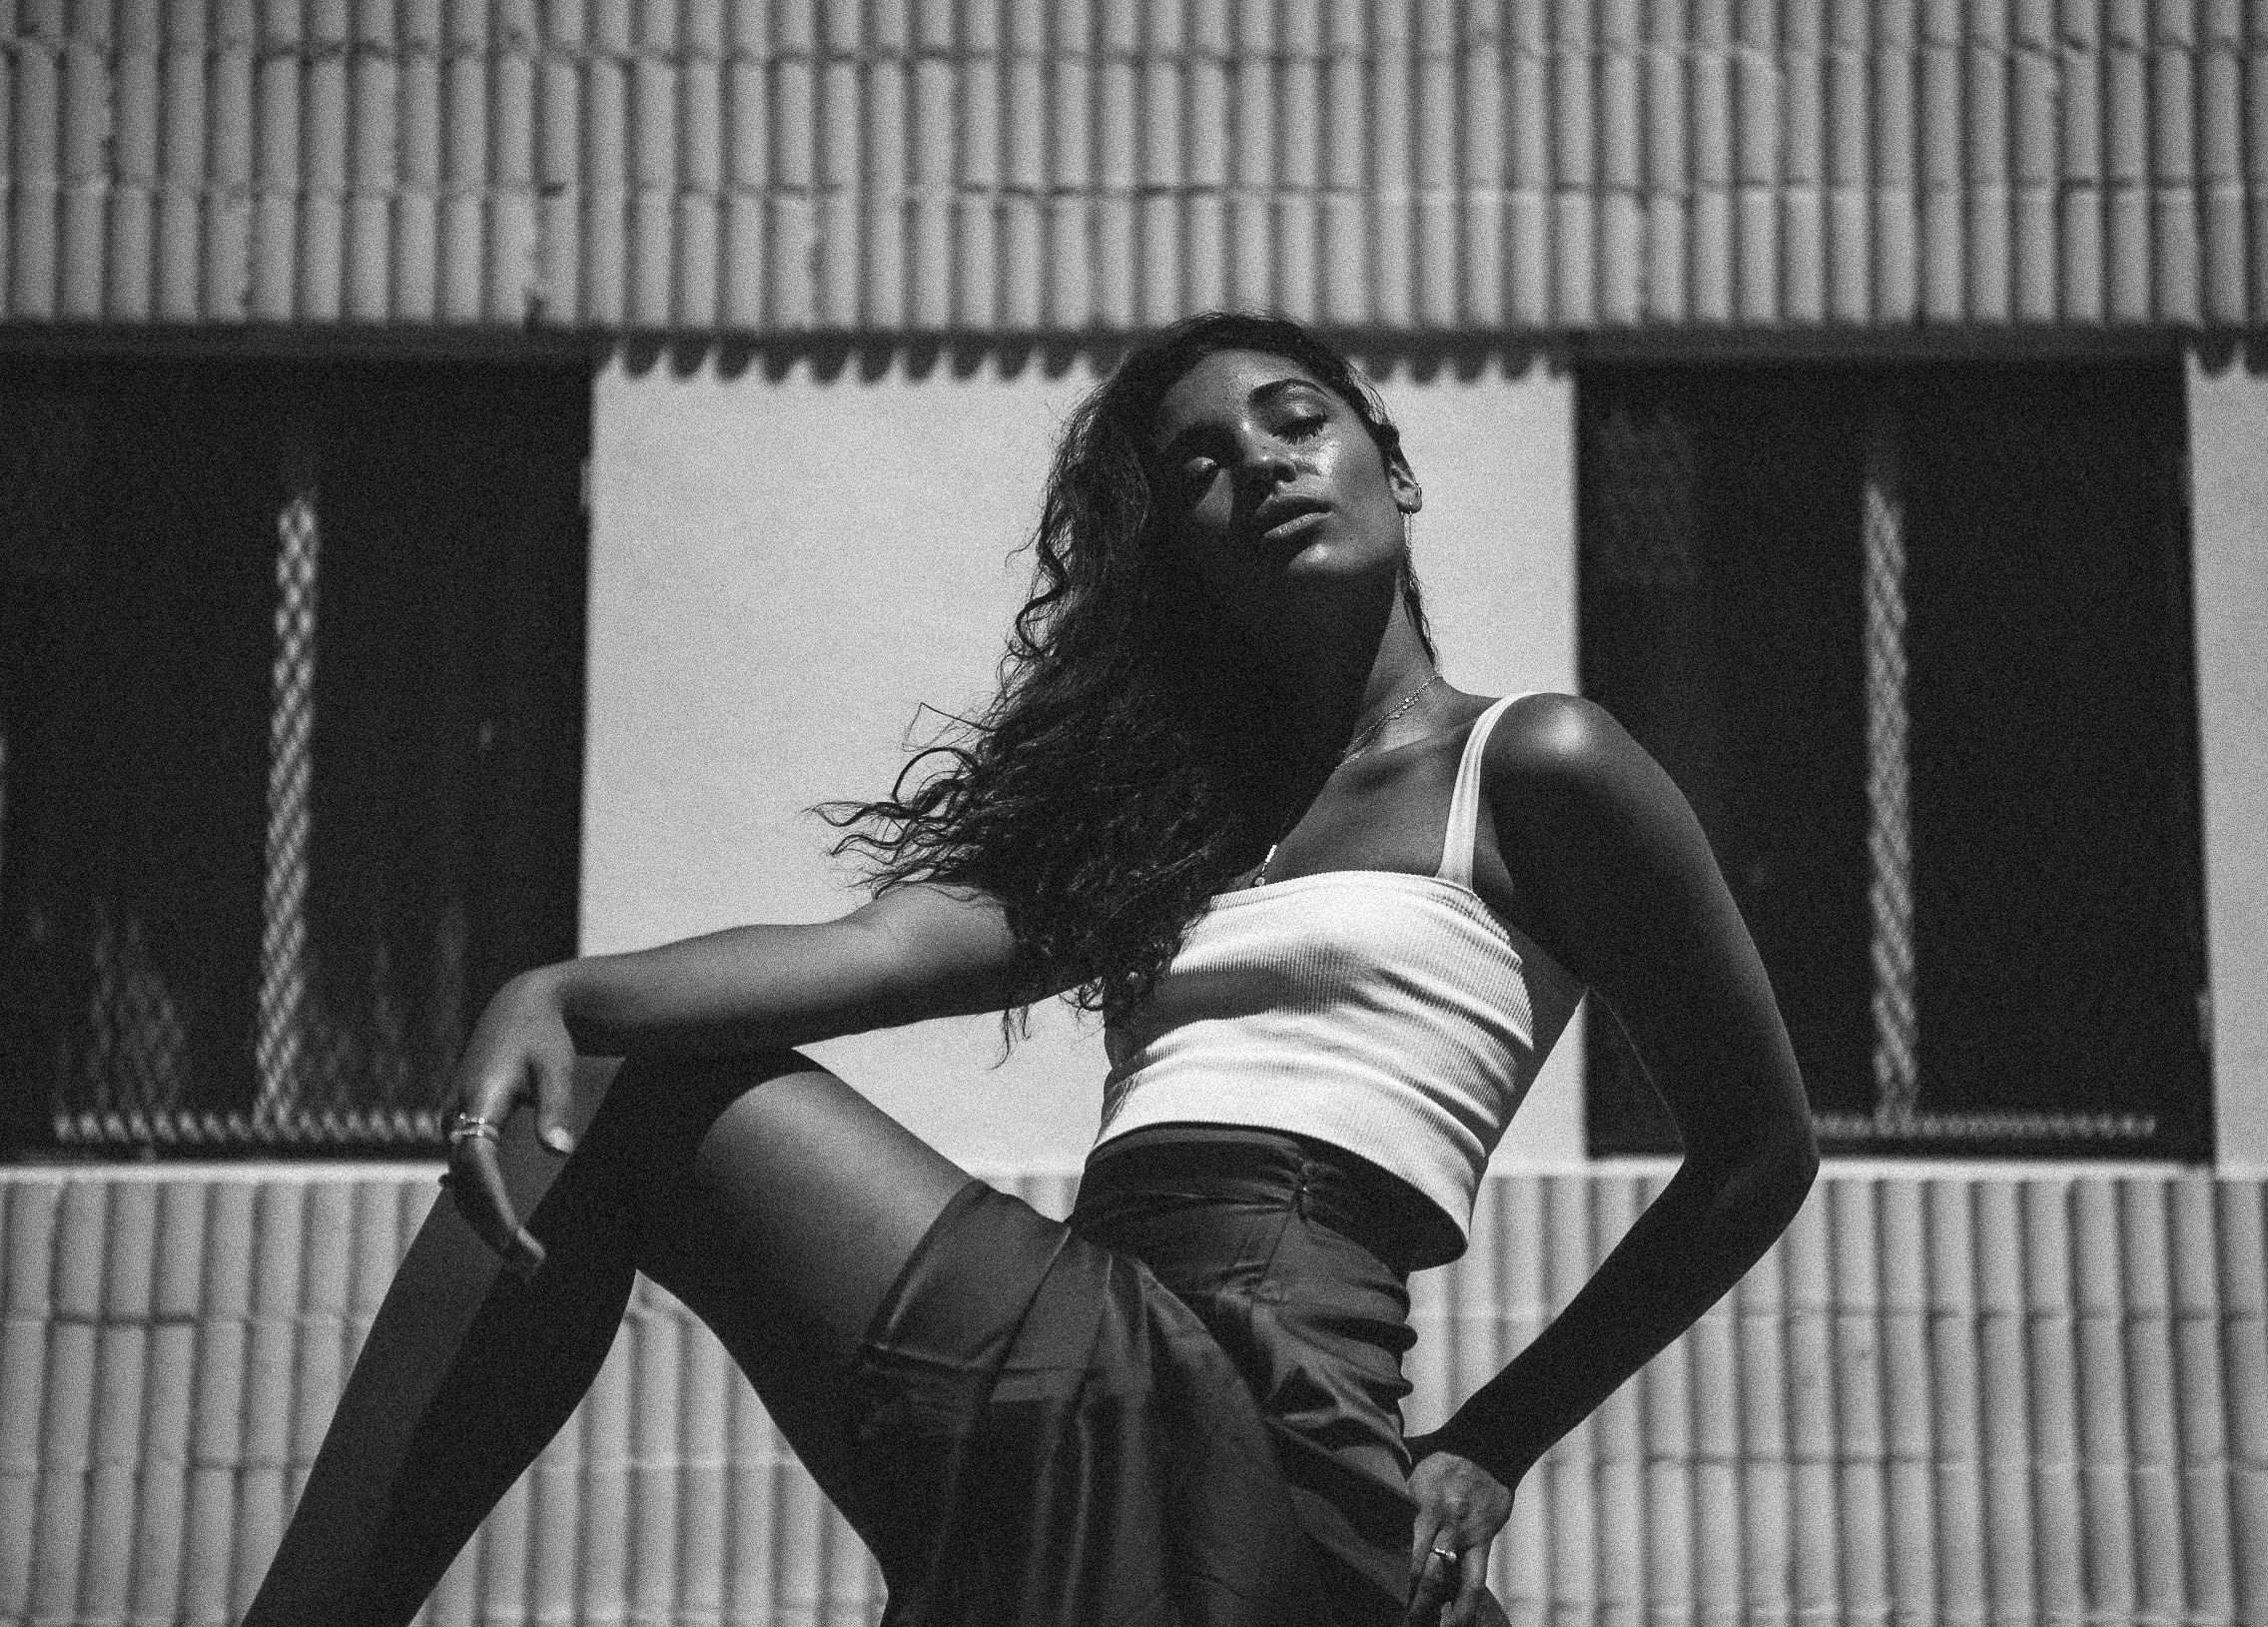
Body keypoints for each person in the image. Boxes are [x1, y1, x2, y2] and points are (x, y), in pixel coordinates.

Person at [240, 312, 1818, 1627]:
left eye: (1297, 421)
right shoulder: (1172, 830)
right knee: (599, 1079)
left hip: (1261, 1396)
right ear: (1178, 556)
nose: (1263, 461)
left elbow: (1760, 1153)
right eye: (1201, 465)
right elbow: (875, 951)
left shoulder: (1534, 765)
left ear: (1387, 466)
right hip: (1070, 1366)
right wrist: (559, 991)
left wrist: (1498, 1437)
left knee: (613, 1086)